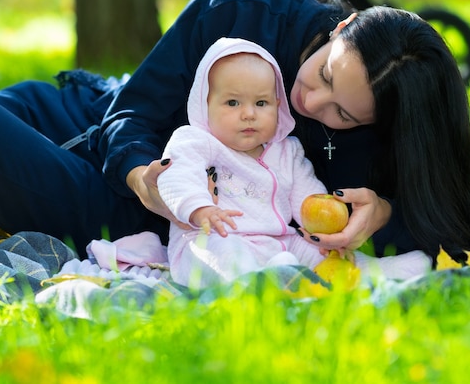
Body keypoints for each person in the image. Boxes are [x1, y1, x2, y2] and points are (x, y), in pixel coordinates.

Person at [0, 0, 470, 265]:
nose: (311, 104)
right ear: (343, 25)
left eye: (344, 115)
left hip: (105, 208)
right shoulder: (243, 11)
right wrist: (146, 178)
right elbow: (132, 114)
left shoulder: (385, 137)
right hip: (96, 136)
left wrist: (383, 213)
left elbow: (444, 223)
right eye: (325, 76)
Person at [158, 37, 430, 287]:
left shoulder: (286, 151)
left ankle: (368, 273)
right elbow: (176, 175)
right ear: (205, 104)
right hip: (210, 237)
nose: (249, 114)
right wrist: (199, 209)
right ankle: (257, 283)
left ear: (278, 105)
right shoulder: (196, 141)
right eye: (232, 103)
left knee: (313, 249)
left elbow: (308, 199)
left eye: (262, 103)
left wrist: (329, 228)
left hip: (279, 242)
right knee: (224, 253)